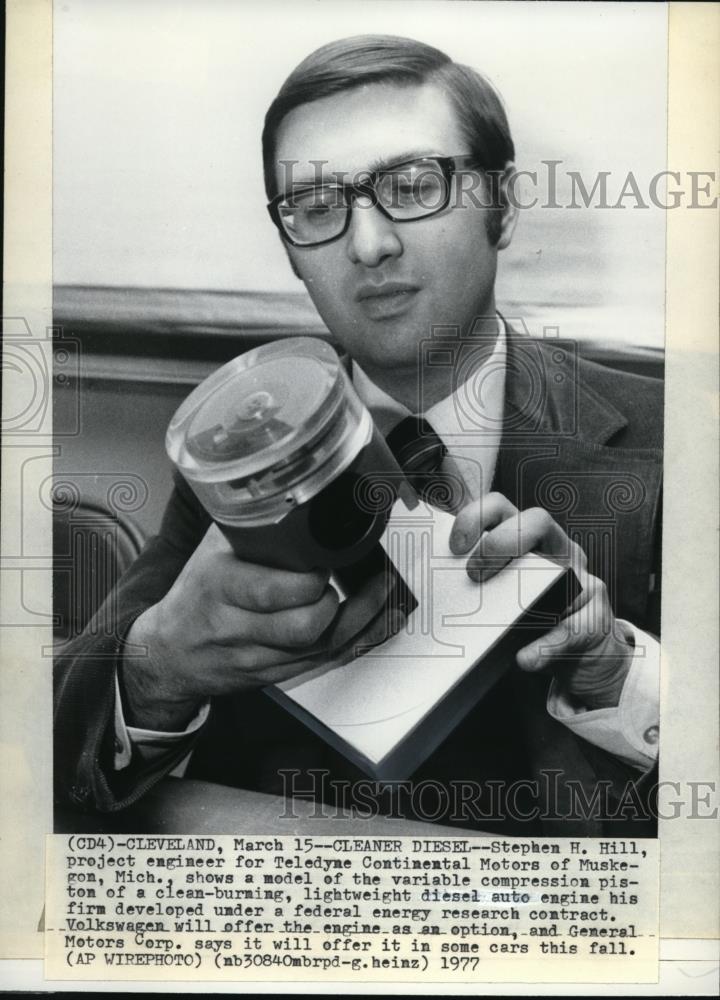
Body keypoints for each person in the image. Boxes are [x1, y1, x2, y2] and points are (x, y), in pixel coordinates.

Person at [54, 35, 662, 835]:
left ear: (504, 207)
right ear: (291, 252)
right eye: (316, 207)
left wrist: (619, 674)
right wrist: (156, 667)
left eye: (412, 186)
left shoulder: (673, 444)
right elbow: (55, 747)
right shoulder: (248, 443)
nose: (368, 245)